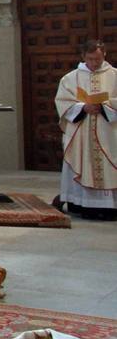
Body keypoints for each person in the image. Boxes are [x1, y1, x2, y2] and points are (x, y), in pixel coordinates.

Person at [55, 40, 117, 219]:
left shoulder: (114, 75)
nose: (94, 63)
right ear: (83, 57)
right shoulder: (70, 78)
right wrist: (83, 107)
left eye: (98, 59)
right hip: (81, 132)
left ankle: (110, 207)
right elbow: (63, 102)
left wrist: (105, 106)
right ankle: (83, 205)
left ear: (104, 55)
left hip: (109, 131)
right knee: (83, 161)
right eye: (90, 59)